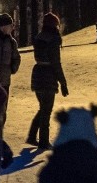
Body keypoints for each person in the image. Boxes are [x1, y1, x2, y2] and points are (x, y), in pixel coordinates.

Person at [27, 12, 69, 150]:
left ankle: (32, 135)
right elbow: (56, 63)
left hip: (38, 74)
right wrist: (63, 83)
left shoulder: (39, 38)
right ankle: (43, 141)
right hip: (48, 76)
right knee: (47, 110)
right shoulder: (53, 40)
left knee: (43, 108)